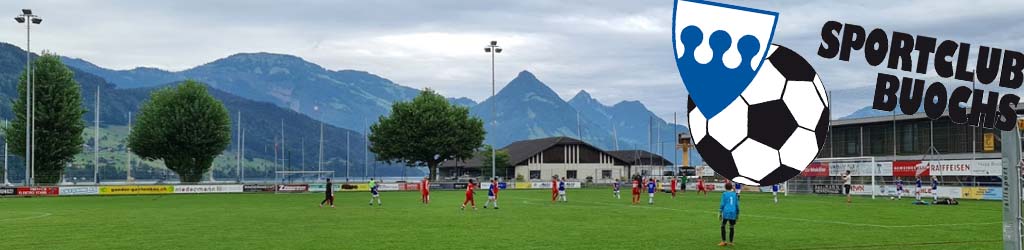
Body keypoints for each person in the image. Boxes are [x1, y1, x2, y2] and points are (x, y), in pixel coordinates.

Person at [718, 182, 740, 247]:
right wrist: (737, 213)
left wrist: (720, 212)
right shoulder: (734, 194)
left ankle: (724, 241)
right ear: (731, 187)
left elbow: (722, 203)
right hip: (733, 212)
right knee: (732, 227)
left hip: (726, 211)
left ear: (725, 187)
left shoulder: (724, 194)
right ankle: (731, 242)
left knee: (723, 225)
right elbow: (737, 205)